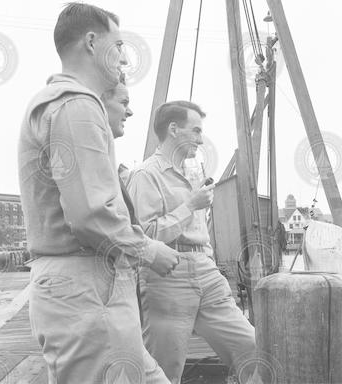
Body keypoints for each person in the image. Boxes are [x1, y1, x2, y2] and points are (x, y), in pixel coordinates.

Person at [18, 3, 179, 383]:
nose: (124, 57)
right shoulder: (77, 105)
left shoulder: (63, 103)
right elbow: (90, 214)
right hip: (87, 291)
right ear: (92, 42)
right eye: (118, 44)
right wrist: (148, 250)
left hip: (88, 294)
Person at [127, 100, 258, 383]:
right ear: (173, 129)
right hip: (168, 274)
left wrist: (208, 258)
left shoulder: (191, 172)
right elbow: (143, 236)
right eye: (196, 131)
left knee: (252, 347)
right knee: (164, 369)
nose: (201, 139)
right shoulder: (145, 175)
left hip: (206, 271)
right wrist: (190, 205)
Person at [101, 73, 171, 383]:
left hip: (118, 293)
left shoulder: (105, 157)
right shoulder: (140, 173)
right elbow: (91, 219)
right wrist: (150, 250)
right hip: (100, 296)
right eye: (124, 102)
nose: (129, 111)